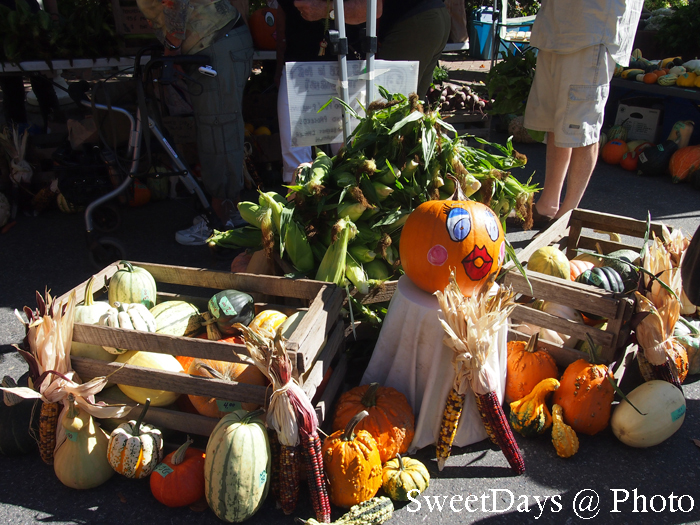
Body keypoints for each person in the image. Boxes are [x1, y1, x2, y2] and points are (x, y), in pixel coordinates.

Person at [135, 0, 254, 245]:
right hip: (216, 42)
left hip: (218, 41)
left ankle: (223, 220)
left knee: (218, 130)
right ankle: (228, 212)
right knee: (217, 127)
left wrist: (171, 46)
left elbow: (174, 3)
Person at [520, 0, 643, 229]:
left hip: (593, 28)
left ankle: (568, 216)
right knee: (556, 122)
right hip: (556, 27)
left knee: (582, 127)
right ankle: (548, 205)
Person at [293, 0, 450, 99]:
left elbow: (371, 7)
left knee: (387, 108)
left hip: (413, 23)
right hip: (435, 16)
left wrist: (324, 9)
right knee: (412, 111)